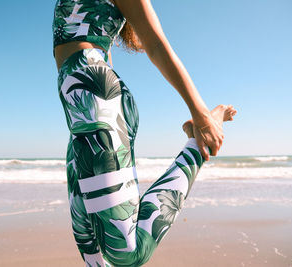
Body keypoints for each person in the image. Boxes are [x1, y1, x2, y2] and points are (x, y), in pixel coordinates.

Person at [53, 0, 236, 266]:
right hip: (79, 104)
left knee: (126, 253)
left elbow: (156, 43)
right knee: (89, 244)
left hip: (94, 98)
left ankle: (194, 146)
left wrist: (202, 114)